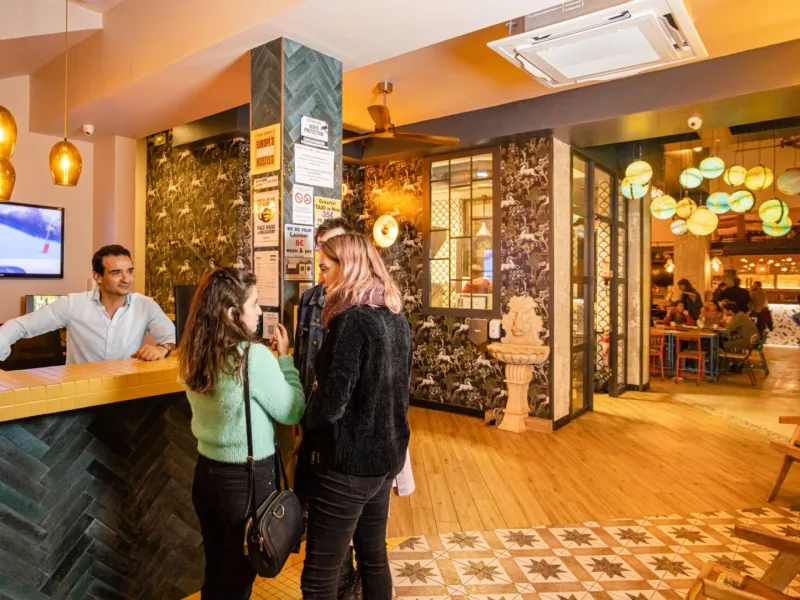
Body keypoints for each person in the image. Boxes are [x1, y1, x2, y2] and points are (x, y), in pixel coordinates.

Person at [179, 267, 305, 600]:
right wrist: (285, 361)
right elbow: (292, 410)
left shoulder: (193, 353)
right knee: (237, 581)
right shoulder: (252, 357)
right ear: (232, 313)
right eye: (254, 304)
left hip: (206, 475)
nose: (260, 311)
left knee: (216, 572)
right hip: (246, 481)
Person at [300, 233, 412, 600]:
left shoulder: (351, 321)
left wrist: (305, 417)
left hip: (349, 466)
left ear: (347, 267)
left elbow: (332, 404)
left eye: (325, 268)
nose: (321, 278)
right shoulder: (394, 315)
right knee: (373, 558)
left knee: (319, 579)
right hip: (386, 460)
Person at [293, 217, 361, 600]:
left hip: (346, 432)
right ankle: (338, 582)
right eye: (321, 249)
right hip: (314, 420)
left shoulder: (362, 305)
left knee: (349, 523)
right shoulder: (310, 300)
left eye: (333, 249)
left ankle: (345, 586)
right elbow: (304, 361)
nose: (326, 257)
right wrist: (301, 416)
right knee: (317, 511)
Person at [0, 244, 175, 364]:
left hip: (125, 393)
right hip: (81, 394)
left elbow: (173, 338)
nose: (126, 279)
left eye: (129, 271)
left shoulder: (145, 305)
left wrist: (163, 348)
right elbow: (20, 326)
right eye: (116, 273)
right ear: (97, 276)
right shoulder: (73, 304)